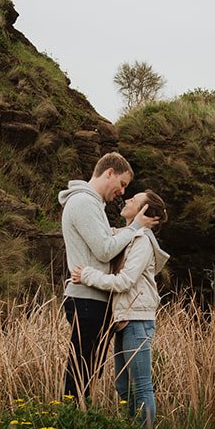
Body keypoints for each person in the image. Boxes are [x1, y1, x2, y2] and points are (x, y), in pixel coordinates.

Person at [58, 152, 157, 404]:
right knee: (82, 369)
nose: (122, 192)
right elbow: (104, 249)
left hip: (95, 299)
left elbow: (106, 246)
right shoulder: (84, 203)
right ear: (109, 173)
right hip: (87, 300)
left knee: (88, 370)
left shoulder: (93, 205)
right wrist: (134, 227)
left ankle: (78, 422)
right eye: (122, 184)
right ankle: (71, 426)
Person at [72, 190, 169, 429]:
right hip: (125, 319)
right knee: (123, 386)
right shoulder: (126, 236)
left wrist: (87, 275)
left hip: (137, 320)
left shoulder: (142, 241)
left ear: (145, 212)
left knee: (142, 385)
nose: (126, 200)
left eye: (134, 201)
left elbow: (125, 281)